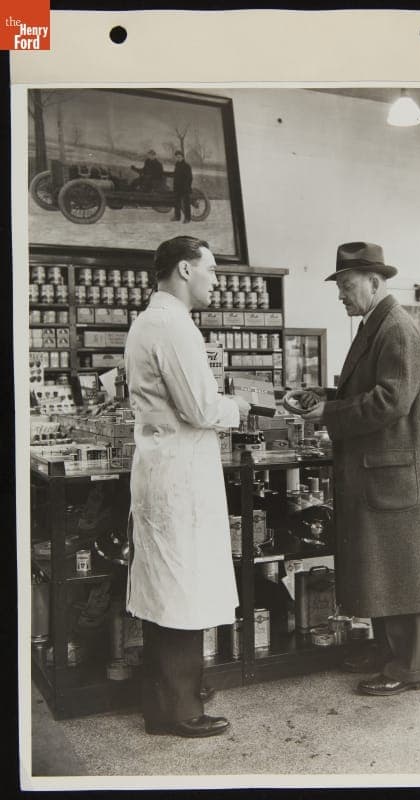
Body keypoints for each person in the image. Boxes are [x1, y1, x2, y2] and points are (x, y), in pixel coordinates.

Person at [300, 241, 420, 697]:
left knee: (401, 571)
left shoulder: (397, 329)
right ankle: (388, 650)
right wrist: (325, 399)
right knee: (383, 567)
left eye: (346, 286)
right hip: (384, 470)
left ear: (374, 282)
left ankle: (412, 668)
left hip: (394, 472)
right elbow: (369, 390)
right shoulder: (377, 323)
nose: (341, 295)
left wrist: (328, 415)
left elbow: (390, 402)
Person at [124, 236, 250, 737]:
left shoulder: (148, 322)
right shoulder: (174, 328)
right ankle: (181, 710)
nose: (216, 280)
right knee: (181, 588)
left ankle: (164, 703)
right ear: (183, 270)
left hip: (163, 467)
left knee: (166, 587)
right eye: (212, 270)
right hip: (179, 475)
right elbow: (200, 409)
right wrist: (236, 407)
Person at [172, 150, 193, 223]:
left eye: (179, 157)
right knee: (176, 203)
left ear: (183, 157)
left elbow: (189, 178)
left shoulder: (187, 166)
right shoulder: (177, 165)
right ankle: (177, 217)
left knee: (186, 204)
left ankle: (187, 218)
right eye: (177, 157)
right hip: (177, 187)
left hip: (185, 188)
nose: (178, 158)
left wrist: (186, 186)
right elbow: (175, 176)